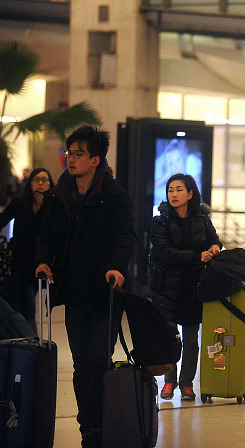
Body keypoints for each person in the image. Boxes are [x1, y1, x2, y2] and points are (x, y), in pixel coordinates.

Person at [35, 126, 136, 448]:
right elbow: (47, 234)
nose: (71, 159)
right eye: (69, 153)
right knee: (81, 365)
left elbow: (125, 236)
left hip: (106, 292)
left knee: (99, 360)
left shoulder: (114, 193)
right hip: (76, 291)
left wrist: (117, 267)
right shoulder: (60, 193)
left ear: (95, 159)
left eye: (78, 154)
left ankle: (104, 426)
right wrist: (42, 261)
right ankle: (88, 429)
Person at [150, 173, 222, 401]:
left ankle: (187, 384)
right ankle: (169, 381)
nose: (174, 194)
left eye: (179, 189)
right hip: (166, 288)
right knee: (170, 337)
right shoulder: (159, 221)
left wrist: (214, 248)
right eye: (170, 189)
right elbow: (164, 253)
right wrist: (197, 257)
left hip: (194, 287)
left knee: (191, 340)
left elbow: (215, 240)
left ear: (190, 194)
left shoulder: (201, 219)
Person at [0, 167, 54, 333]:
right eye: (36, 179)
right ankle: (30, 343)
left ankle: (29, 344)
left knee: (27, 303)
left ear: (50, 184)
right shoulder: (19, 204)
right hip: (17, 262)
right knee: (24, 304)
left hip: (40, 262)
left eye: (44, 180)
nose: (40, 183)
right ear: (30, 183)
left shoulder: (53, 207)